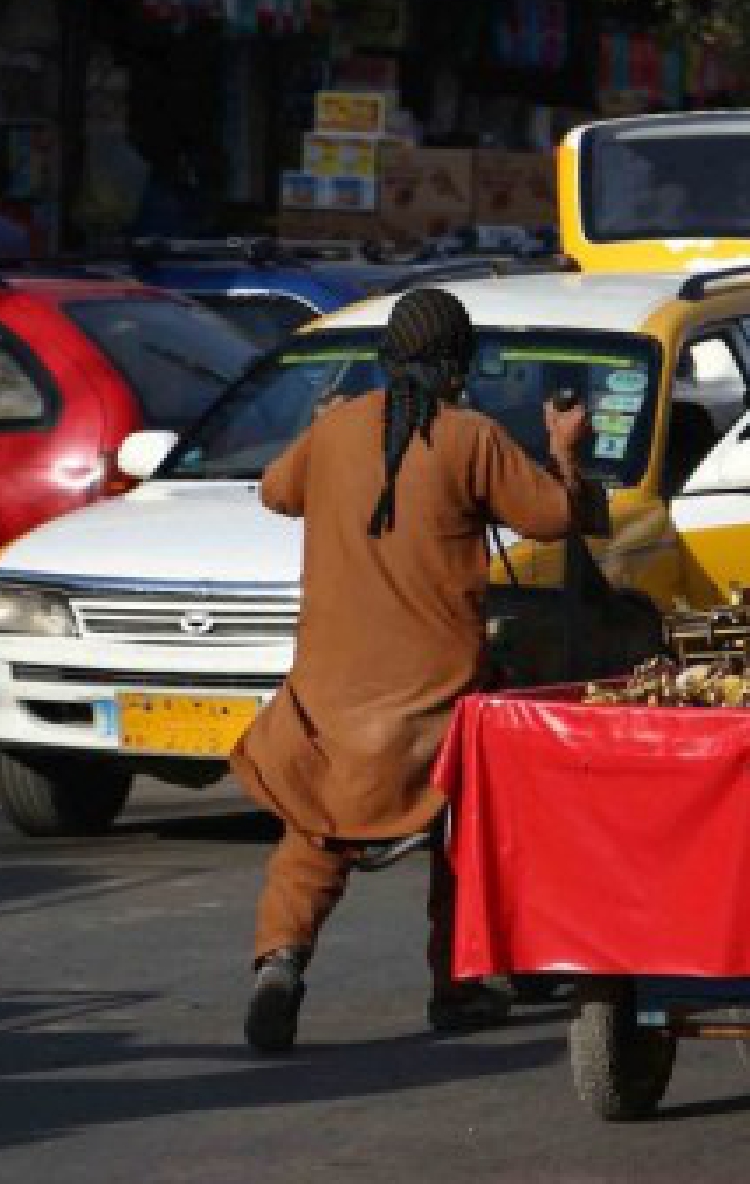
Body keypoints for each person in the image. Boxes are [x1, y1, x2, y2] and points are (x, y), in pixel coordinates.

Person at [230, 287, 604, 1053]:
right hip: (436, 701)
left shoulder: (336, 430)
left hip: (328, 700)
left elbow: (274, 490)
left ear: (387, 359)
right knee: (464, 832)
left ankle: (280, 960)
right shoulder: (471, 438)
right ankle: (458, 986)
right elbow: (556, 517)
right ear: (458, 367)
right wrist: (568, 452)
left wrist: (316, 434)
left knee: (314, 835)